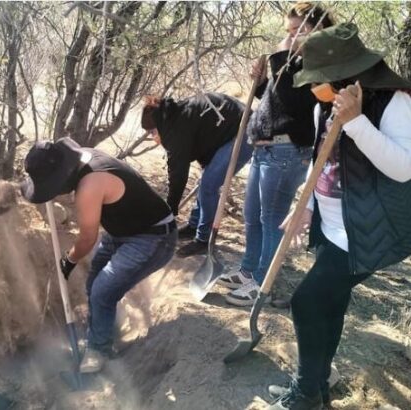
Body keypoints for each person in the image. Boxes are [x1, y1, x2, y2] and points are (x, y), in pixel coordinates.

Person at [266, 22, 411, 410]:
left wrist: (357, 122)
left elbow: (403, 169)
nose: (314, 87)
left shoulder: (394, 103)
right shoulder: (323, 108)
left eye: (320, 79)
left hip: (367, 231)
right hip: (330, 227)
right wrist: (306, 206)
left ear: (346, 76)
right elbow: (323, 163)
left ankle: (306, 393)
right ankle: (319, 381)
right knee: (329, 304)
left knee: (306, 302)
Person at [21, 138, 177, 373]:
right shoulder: (82, 158)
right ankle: (103, 332)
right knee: (94, 283)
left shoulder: (90, 185)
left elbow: (87, 239)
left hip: (153, 238)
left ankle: (99, 349)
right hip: (122, 231)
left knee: (102, 291)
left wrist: (69, 260)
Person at [220, 2, 335, 307]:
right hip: (265, 149)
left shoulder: (320, 65)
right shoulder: (291, 62)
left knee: (271, 219)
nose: (290, 36)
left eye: (299, 30)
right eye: (289, 31)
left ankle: (262, 284)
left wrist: (281, 57)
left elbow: (296, 101)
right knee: (252, 216)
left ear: (319, 31)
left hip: (287, 152)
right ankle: (249, 270)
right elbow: (277, 101)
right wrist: (261, 83)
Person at [141, 93, 252, 257]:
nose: (152, 137)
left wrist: (170, 210)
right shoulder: (173, 116)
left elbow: (178, 175)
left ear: (158, 124)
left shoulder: (174, 129)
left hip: (244, 130)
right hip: (228, 128)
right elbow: (201, 140)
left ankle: (203, 239)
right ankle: (193, 227)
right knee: (205, 181)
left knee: (209, 185)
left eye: (151, 132)